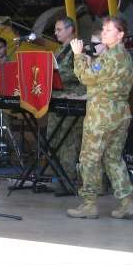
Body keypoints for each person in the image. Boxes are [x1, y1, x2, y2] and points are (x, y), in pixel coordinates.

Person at [67, 16, 133, 219]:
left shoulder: (109, 58)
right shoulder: (125, 56)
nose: (103, 33)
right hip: (120, 113)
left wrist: (78, 56)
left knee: (90, 158)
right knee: (113, 159)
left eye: (108, 30)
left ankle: (89, 203)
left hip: (102, 116)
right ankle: (126, 201)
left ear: (120, 34)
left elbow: (86, 77)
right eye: (103, 29)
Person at [45, 16, 86, 183]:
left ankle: (67, 175)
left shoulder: (77, 50)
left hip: (71, 98)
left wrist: (54, 76)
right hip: (56, 99)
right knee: (52, 136)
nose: (55, 33)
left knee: (68, 139)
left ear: (70, 30)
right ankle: (53, 172)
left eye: (59, 29)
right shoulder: (59, 50)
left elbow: (81, 74)